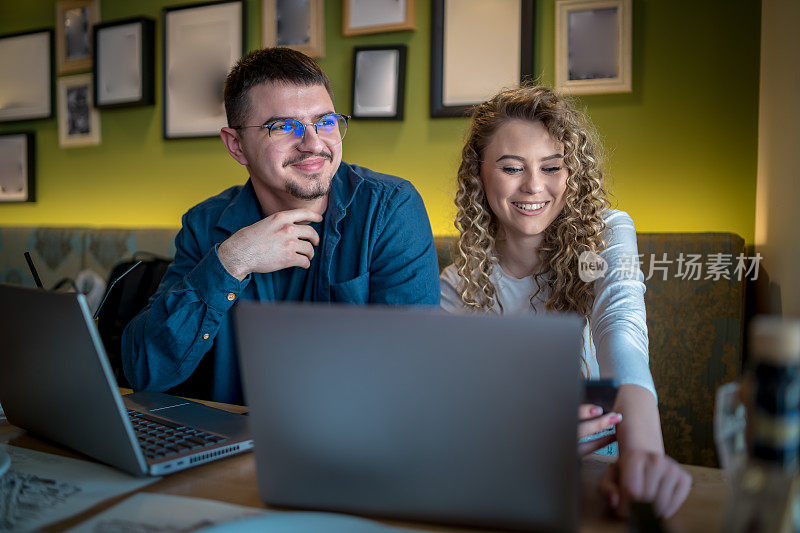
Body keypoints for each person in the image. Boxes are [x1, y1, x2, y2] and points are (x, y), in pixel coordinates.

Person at [122, 48, 440, 404]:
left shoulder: (388, 208)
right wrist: (231, 262)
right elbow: (145, 372)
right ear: (237, 145)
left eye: (326, 122)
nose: (314, 144)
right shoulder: (205, 225)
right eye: (284, 127)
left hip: (352, 444)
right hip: (232, 445)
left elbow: (410, 371)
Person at [439, 85, 691, 518]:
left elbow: (622, 330)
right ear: (480, 174)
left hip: (599, 462)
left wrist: (645, 452)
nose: (535, 186)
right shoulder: (455, 285)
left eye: (552, 167)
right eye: (512, 167)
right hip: (498, 473)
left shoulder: (606, 235)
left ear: (571, 171)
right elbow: (445, 411)